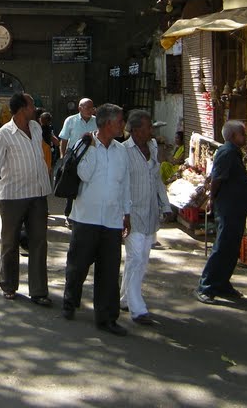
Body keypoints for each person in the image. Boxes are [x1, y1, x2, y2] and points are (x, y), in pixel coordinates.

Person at [62, 103, 131, 336]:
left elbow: (125, 184)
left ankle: (107, 317)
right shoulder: (85, 144)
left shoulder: (121, 151)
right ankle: (70, 302)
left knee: (110, 271)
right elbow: (84, 174)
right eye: (120, 121)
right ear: (107, 123)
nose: (123, 125)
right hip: (86, 217)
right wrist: (91, 147)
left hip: (112, 219)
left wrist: (127, 213)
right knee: (78, 265)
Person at [0, 93, 53, 306]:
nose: (35, 108)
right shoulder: (4, 134)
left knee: (39, 242)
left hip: (39, 193)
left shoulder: (37, 128)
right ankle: (9, 285)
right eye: (32, 104)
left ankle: (39, 291)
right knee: (10, 242)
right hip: (13, 196)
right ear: (22, 109)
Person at [196, 119, 247, 304]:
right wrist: (212, 199)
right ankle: (206, 286)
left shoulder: (233, 153)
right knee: (222, 247)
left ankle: (222, 283)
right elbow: (217, 178)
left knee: (231, 248)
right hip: (228, 207)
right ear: (232, 136)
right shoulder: (227, 152)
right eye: (242, 134)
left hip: (236, 206)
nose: (245, 137)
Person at [121, 110, 172, 326]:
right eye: (148, 126)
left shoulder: (151, 147)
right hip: (132, 214)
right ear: (135, 130)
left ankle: (124, 298)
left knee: (141, 259)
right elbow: (120, 185)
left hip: (150, 213)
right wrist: (124, 214)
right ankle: (137, 308)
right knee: (136, 258)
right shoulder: (123, 151)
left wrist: (165, 205)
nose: (151, 130)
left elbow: (157, 178)